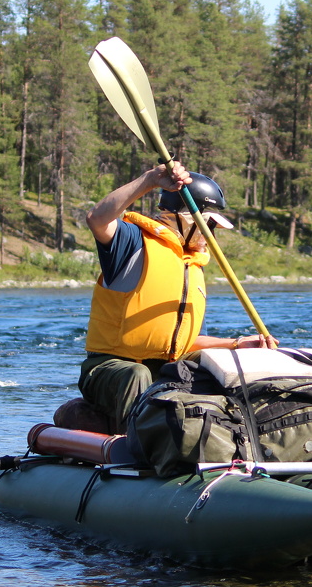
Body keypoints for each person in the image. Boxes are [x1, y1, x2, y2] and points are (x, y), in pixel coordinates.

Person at [78, 161, 276, 427]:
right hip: (110, 368)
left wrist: (237, 344)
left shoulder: (192, 266)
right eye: (210, 226)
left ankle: (238, 435)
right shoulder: (131, 242)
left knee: (230, 363)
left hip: (165, 365)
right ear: (185, 219)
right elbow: (97, 219)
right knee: (137, 374)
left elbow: (189, 343)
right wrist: (150, 180)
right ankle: (132, 447)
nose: (212, 235)